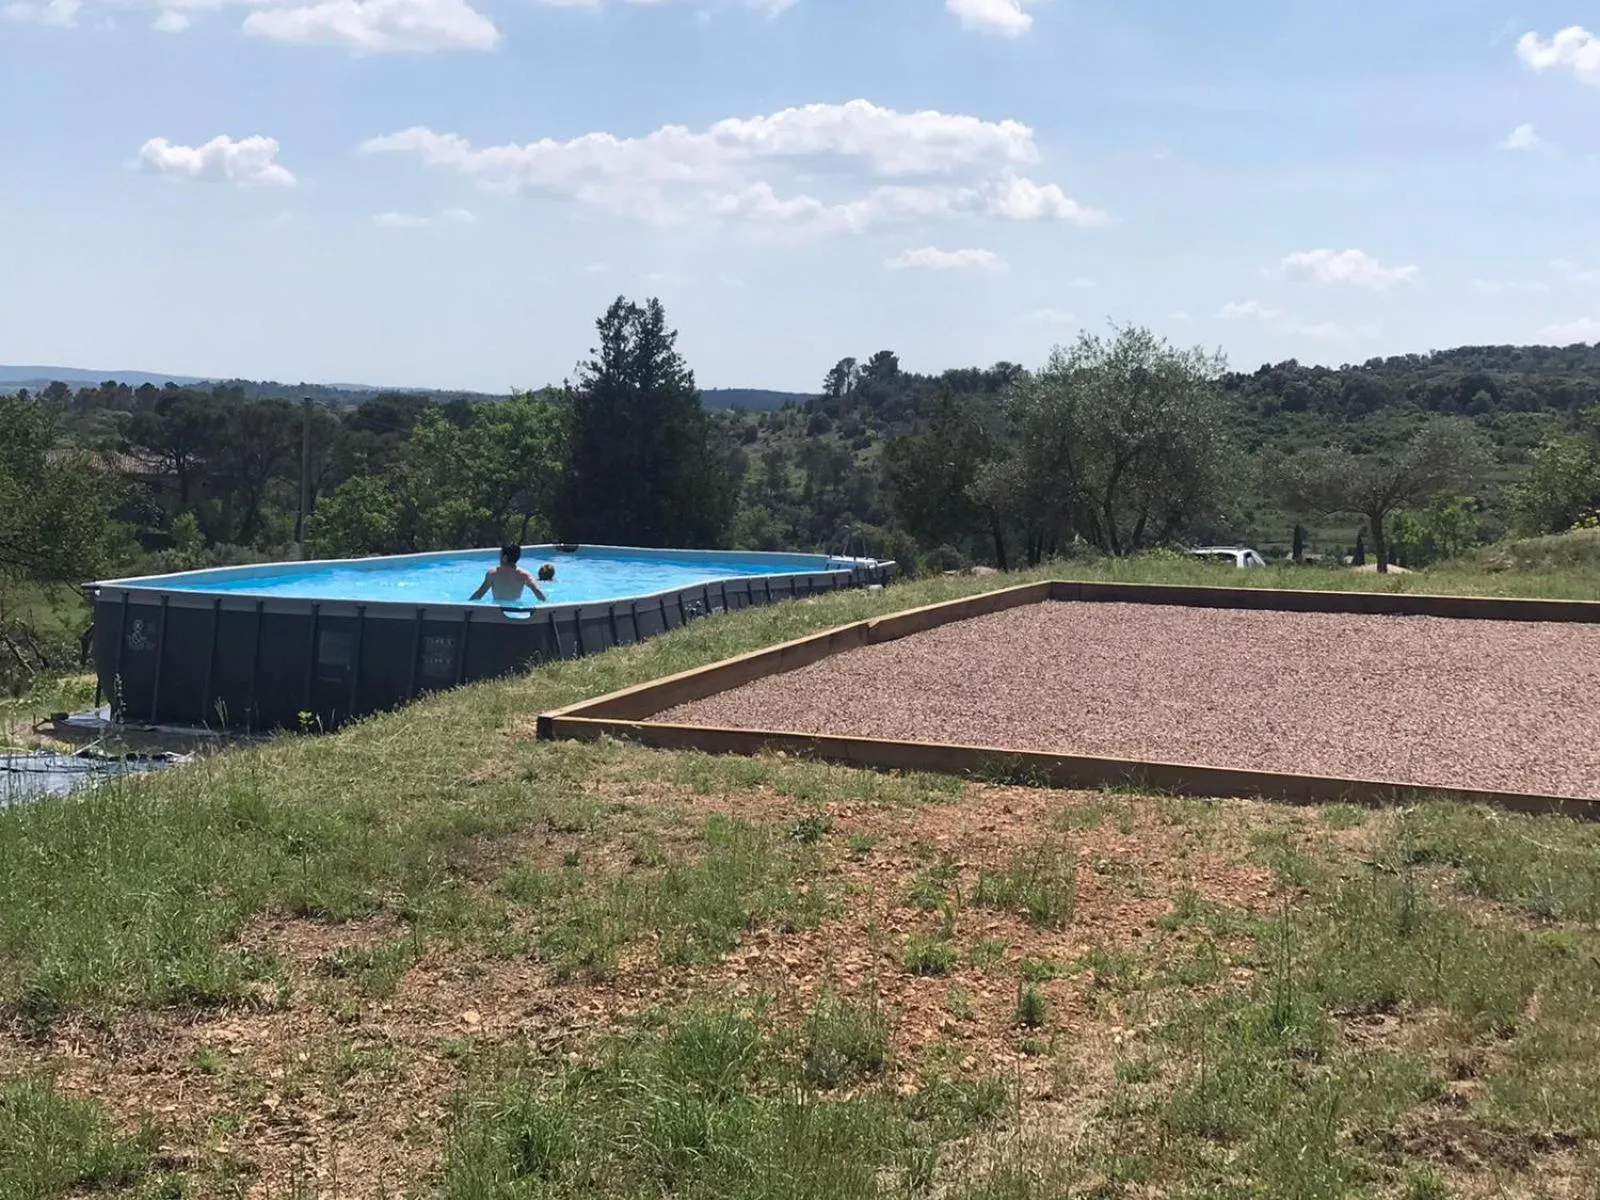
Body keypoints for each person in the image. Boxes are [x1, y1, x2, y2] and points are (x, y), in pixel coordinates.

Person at [470, 545, 548, 603]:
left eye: (500, 555)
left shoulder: (493, 574)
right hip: (516, 611)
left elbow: (479, 594)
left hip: (497, 612)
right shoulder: (525, 575)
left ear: (505, 558)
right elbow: (538, 592)